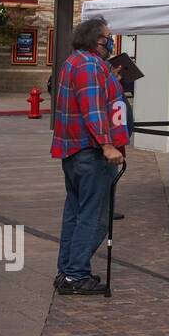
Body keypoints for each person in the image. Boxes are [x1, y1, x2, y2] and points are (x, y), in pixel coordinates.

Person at [50, 16, 128, 295]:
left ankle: (67, 271)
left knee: (74, 213)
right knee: (94, 217)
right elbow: (93, 109)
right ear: (97, 39)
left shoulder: (74, 62)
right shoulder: (91, 65)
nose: (110, 41)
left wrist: (111, 80)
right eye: (108, 36)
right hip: (90, 153)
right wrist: (107, 145)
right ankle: (75, 273)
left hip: (71, 151)